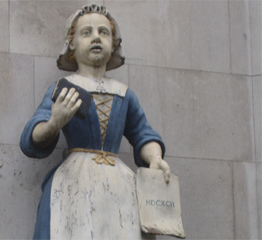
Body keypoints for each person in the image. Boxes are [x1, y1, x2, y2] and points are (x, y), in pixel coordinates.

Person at [20, 4, 170, 239]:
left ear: (114, 44)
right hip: (74, 181)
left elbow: (143, 133)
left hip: (119, 185)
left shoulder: (124, 93)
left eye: (103, 32)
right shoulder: (63, 88)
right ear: (72, 43)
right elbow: (33, 135)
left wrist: (155, 158)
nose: (96, 38)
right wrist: (54, 123)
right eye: (86, 33)